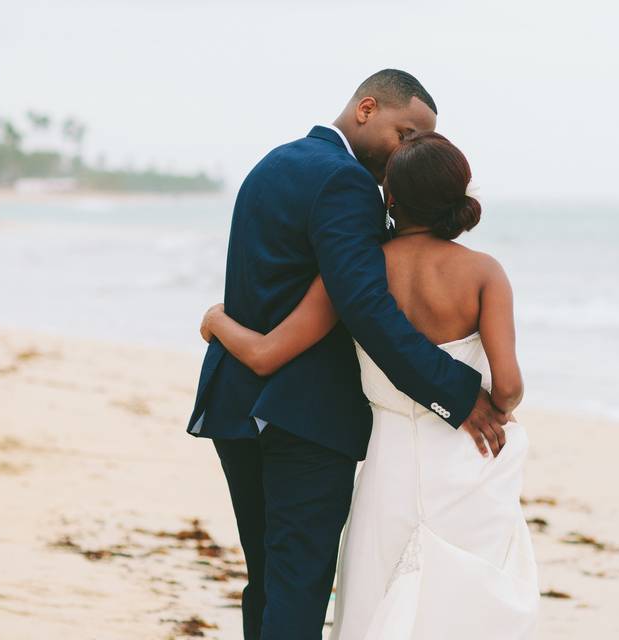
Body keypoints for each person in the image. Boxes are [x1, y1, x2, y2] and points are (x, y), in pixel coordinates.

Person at [185, 70, 511, 640]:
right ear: (366, 108)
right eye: (405, 133)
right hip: (302, 417)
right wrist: (457, 392)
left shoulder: (275, 163)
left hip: (238, 405)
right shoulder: (345, 183)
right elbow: (366, 308)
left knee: (267, 580)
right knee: (297, 585)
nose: (407, 151)